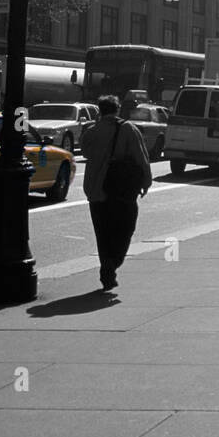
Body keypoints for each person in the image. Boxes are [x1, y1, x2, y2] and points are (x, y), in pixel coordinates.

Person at [81, 94, 152, 291]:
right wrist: (146, 181)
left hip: (96, 190)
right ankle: (113, 262)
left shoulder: (91, 131)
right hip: (122, 189)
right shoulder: (128, 129)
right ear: (117, 109)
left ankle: (107, 268)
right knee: (125, 228)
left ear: (100, 111)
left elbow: (85, 152)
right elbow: (141, 157)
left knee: (102, 233)